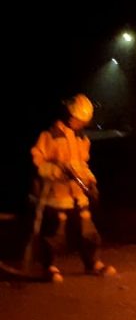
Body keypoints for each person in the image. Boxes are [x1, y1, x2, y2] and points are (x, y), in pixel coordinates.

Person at [30, 94, 115, 282]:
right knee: (55, 233)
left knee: (87, 230)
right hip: (57, 196)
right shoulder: (49, 136)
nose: (81, 124)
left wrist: (91, 182)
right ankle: (50, 266)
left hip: (78, 194)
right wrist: (57, 172)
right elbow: (37, 162)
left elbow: (82, 164)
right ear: (69, 115)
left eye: (84, 121)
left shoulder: (82, 138)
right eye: (79, 120)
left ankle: (92, 263)